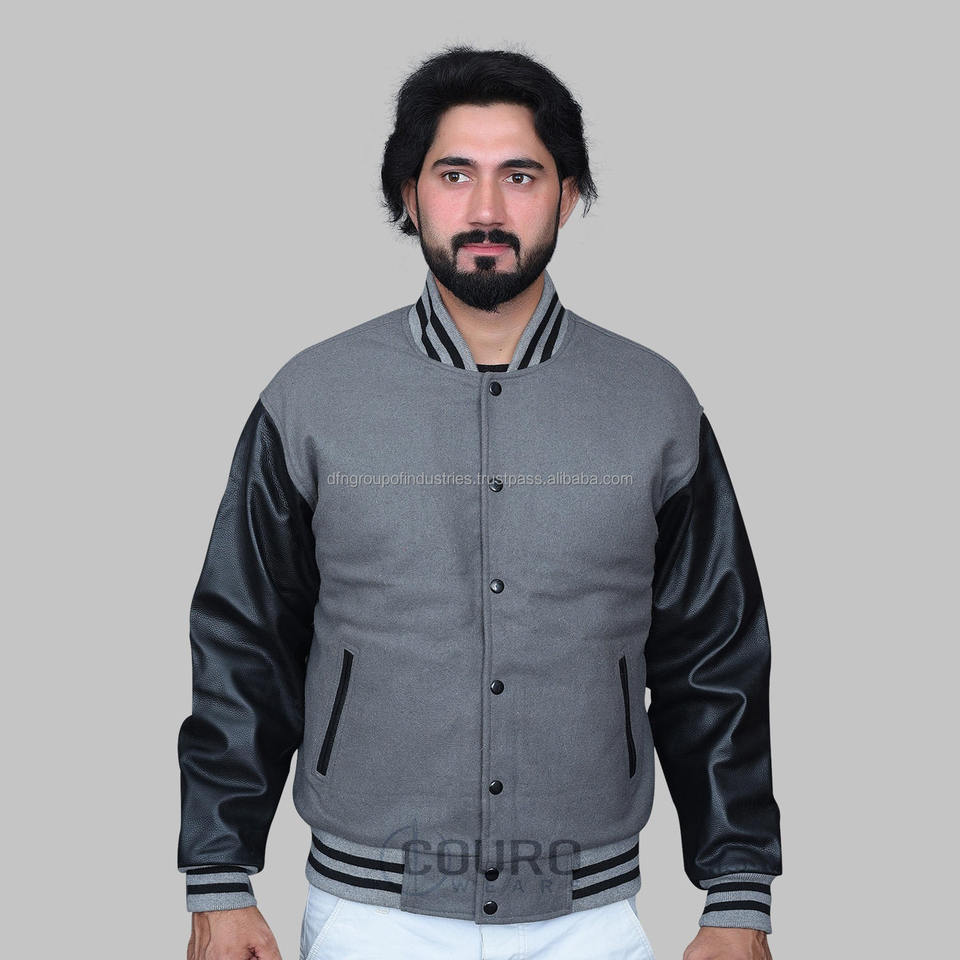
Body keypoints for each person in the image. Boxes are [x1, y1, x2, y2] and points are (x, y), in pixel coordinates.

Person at [177, 45, 782, 960]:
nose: (487, 209)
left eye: (521, 176)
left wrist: (737, 894)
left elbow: (714, 658)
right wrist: (220, 878)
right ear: (409, 196)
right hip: (369, 917)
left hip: (589, 921)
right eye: (454, 175)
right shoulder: (312, 398)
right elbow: (243, 642)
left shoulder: (654, 402)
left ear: (567, 197)